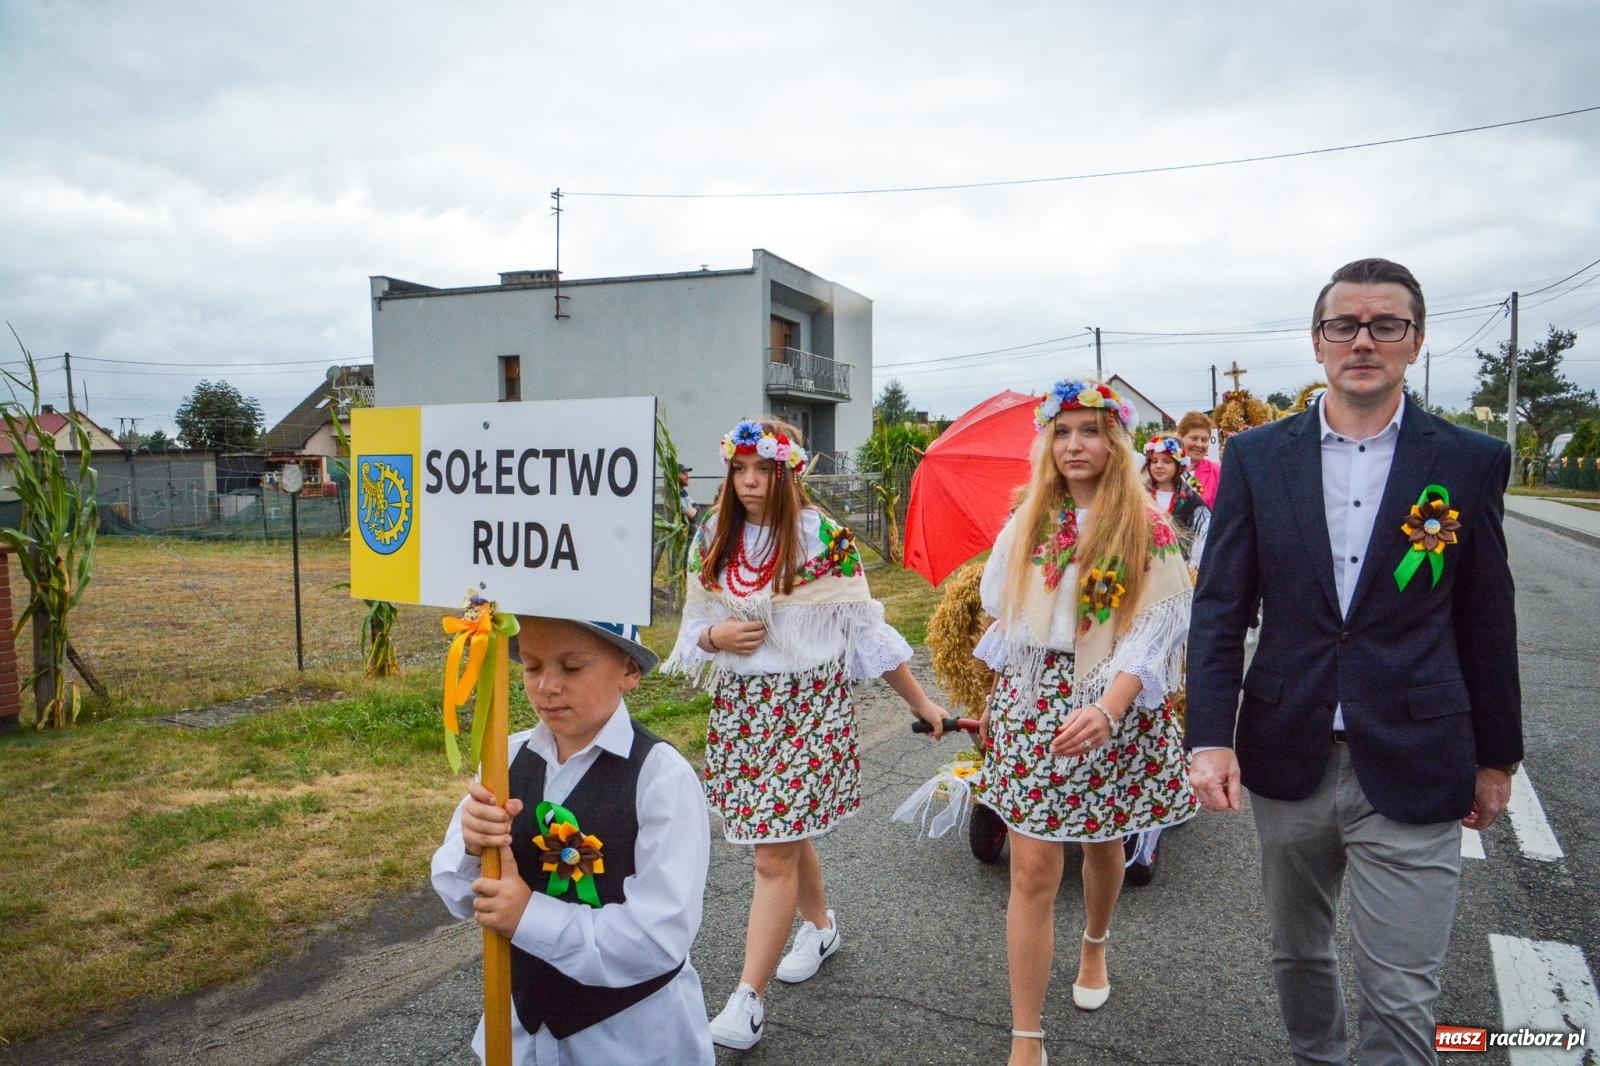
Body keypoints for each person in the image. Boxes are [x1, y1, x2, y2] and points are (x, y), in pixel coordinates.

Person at [1187, 258, 1522, 1065]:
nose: (1363, 340)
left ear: (1415, 340)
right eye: (1345, 325)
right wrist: (1210, 737)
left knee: (1401, 991)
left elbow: (1486, 615)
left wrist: (1497, 757)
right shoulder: (1258, 457)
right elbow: (1221, 607)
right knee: (1299, 957)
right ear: (1318, 342)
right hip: (1288, 752)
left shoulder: (1468, 461)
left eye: (1386, 325)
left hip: (1416, 755)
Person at [663, 416, 949, 1051]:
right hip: (742, 711)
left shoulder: (824, 538)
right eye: (739, 469)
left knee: (772, 852)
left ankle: (747, 999)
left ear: (788, 472)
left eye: (763, 469)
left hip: (808, 708)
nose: (748, 482)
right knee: (782, 837)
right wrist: (715, 637)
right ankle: (820, 927)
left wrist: (923, 702)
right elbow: (690, 630)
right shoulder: (712, 536)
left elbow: (866, 632)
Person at [972, 379, 1197, 1066]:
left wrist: (1108, 706)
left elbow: (1159, 625)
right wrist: (998, 695)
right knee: (1032, 869)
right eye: (1062, 432)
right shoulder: (1029, 520)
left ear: (1115, 442)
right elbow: (1003, 610)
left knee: (1103, 840)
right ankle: (1026, 1035)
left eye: (1090, 431)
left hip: (1111, 696)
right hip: (1033, 697)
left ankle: (1094, 945)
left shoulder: (1147, 526)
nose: (1075, 445)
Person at [431, 616, 714, 1066]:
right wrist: (470, 846)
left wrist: (528, 916)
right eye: (532, 666)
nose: (547, 686)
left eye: (572, 667)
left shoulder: (661, 778)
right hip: (521, 1035)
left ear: (629, 670)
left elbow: (659, 937)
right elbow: (457, 894)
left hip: (629, 1041)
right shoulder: (504, 761)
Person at [1118, 432, 1212, 885]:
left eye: (1165, 462)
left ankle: (1165, 775)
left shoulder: (1192, 507)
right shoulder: (1132, 498)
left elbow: (1201, 549)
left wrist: (1189, 576)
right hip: (1132, 587)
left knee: (1165, 684)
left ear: (1178, 466)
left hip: (1174, 589)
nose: (1158, 467)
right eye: (1153, 460)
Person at [1176, 411, 1221, 508]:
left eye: (1204, 440)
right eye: (1194, 438)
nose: (1199, 444)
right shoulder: (1167, 467)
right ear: (1180, 437)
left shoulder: (1217, 471)